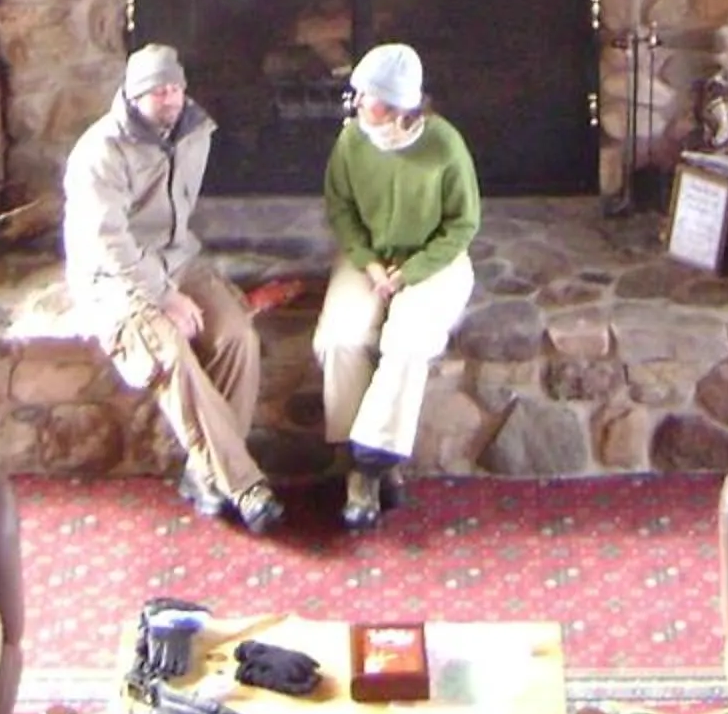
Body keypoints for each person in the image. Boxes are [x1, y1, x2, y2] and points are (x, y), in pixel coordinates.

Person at [62, 42, 283, 534]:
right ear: (134, 95)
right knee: (170, 352)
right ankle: (244, 484)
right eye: (159, 90)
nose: (171, 98)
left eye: (177, 88)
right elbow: (107, 243)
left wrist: (176, 282)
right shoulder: (100, 152)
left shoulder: (194, 134)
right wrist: (162, 296)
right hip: (114, 277)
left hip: (178, 259)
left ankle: (205, 476)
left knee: (235, 337)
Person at [314, 40, 480, 529]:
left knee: (406, 342)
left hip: (434, 261)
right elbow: (339, 209)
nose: (357, 101)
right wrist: (368, 265)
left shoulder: (444, 144)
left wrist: (411, 273)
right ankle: (358, 462)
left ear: (396, 103)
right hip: (369, 260)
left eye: (366, 94)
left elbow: (462, 225)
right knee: (340, 339)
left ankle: (370, 465)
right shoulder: (351, 141)